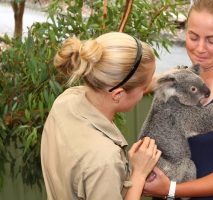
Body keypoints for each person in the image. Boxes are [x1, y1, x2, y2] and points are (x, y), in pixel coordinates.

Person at [143, 0, 213, 199]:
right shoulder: (178, 78)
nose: (200, 48)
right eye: (193, 37)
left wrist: (171, 190)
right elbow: (134, 87)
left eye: (212, 40)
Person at [40, 32, 161, 200]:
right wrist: (139, 174)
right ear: (118, 94)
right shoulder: (104, 162)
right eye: (143, 88)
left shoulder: (66, 100)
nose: (145, 92)